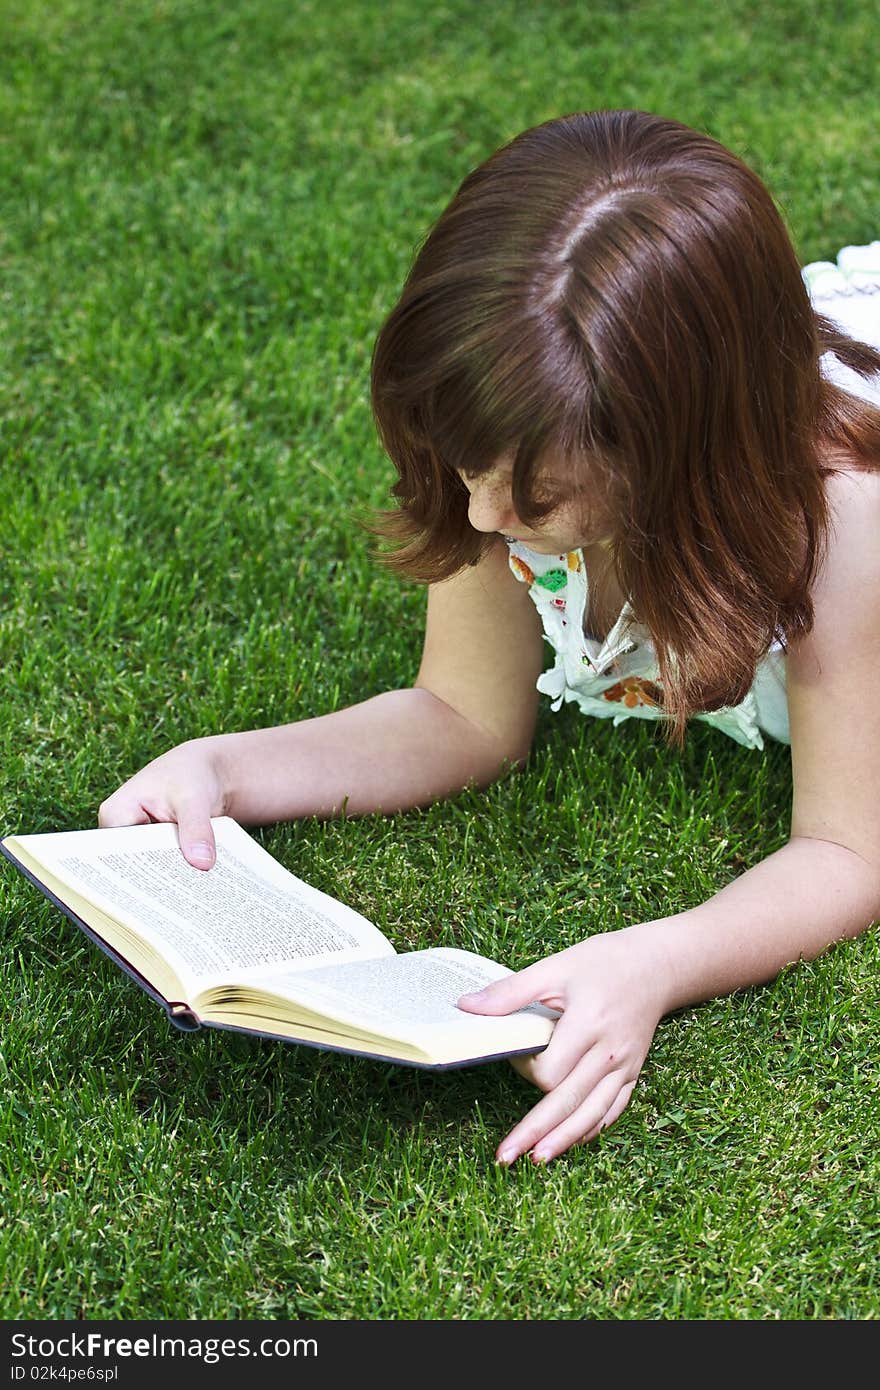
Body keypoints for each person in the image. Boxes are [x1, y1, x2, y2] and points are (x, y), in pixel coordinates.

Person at [98, 109, 880, 1165]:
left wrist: (654, 959)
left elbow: (844, 848)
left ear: (678, 458)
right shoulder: (514, 427)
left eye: (538, 499)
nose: (476, 521)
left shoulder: (837, 534)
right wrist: (226, 769)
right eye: (464, 468)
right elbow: (463, 713)